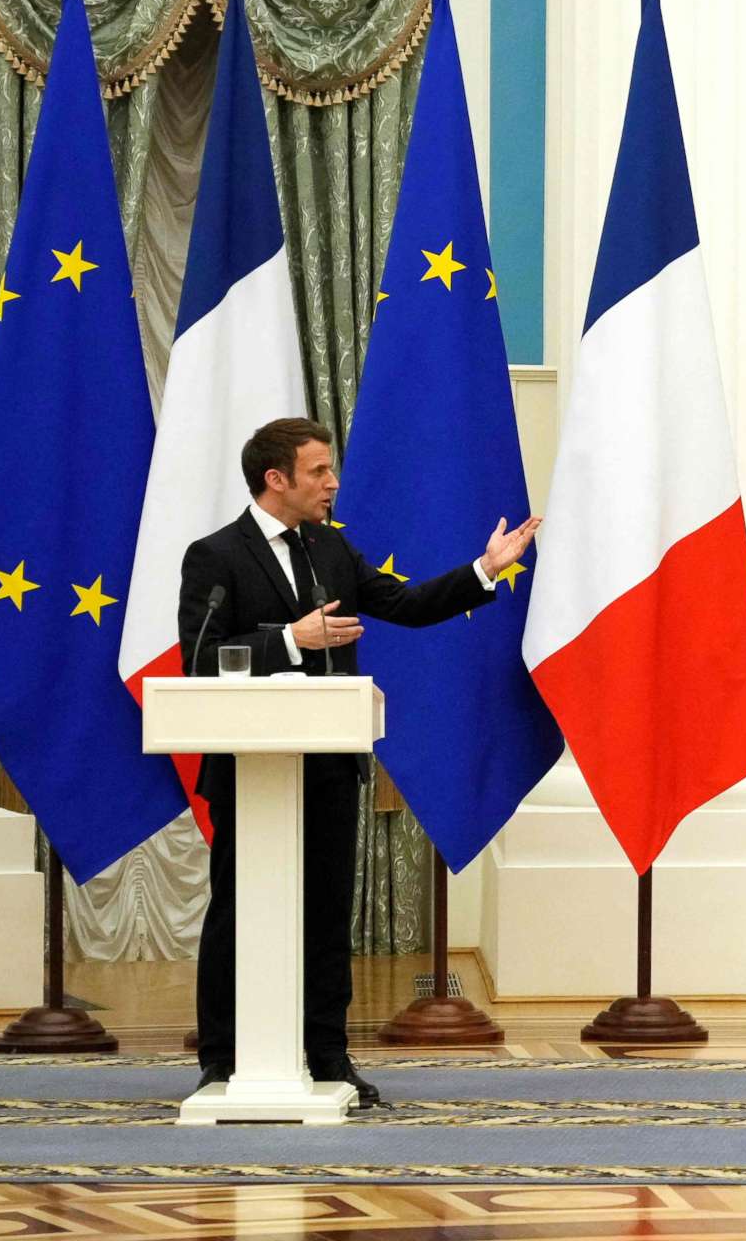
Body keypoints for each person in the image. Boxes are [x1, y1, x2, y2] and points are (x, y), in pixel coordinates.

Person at [180, 417, 539, 1108]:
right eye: (318, 472)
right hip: (251, 776)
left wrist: (484, 570)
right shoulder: (215, 556)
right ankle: (221, 1060)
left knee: (326, 916)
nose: (332, 483)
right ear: (275, 479)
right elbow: (201, 658)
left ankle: (328, 1057)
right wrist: (290, 638)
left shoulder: (331, 549)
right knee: (235, 912)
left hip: (329, 767)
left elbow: (403, 604)